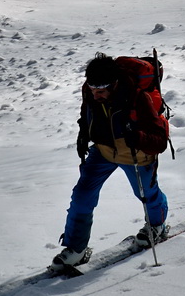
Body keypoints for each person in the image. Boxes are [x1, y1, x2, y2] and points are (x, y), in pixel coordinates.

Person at [54, 54, 169, 268]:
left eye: (100, 91)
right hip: (103, 151)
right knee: (81, 196)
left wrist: (138, 137)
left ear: (114, 84)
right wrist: (83, 135)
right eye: (92, 90)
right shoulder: (90, 91)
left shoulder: (137, 98)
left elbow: (160, 141)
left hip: (136, 154)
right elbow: (86, 114)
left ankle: (157, 226)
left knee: (147, 194)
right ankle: (76, 248)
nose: (94, 95)